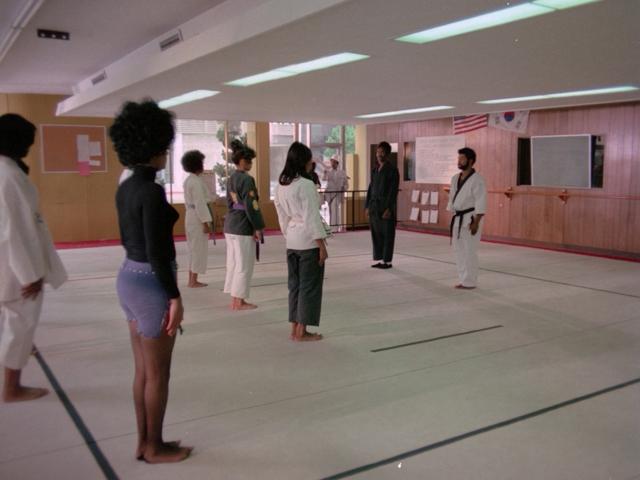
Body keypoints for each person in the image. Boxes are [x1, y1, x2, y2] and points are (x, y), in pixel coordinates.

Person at [110, 100, 192, 463]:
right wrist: (174, 297)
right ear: (155, 146)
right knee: (159, 373)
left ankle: (145, 442)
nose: (167, 152)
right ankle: (154, 446)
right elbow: (158, 253)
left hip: (129, 277)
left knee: (143, 370)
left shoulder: (126, 186)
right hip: (151, 283)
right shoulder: (151, 191)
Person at [0, 113, 67, 402]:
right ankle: (11, 387)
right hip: (16, 267)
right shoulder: (9, 176)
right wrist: (29, 274)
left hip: (10, 263)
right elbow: (12, 231)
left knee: (13, 321)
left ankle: (11, 379)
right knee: (21, 323)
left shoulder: (8, 172)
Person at [274, 142, 328, 341]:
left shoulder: (281, 186)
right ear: (304, 161)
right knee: (309, 286)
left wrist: (288, 234)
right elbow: (312, 217)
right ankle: (302, 331)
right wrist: (321, 245)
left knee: (295, 286)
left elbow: (281, 216)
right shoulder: (305, 185)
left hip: (292, 240)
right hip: (308, 242)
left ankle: (294, 327)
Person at [223, 139, 265, 310]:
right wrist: (258, 226)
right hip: (242, 225)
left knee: (234, 262)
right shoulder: (247, 180)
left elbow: (228, 202)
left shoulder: (231, 178)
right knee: (244, 264)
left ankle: (234, 298)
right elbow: (251, 205)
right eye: (248, 160)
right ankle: (238, 301)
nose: (250, 163)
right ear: (240, 161)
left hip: (231, 223)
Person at [446, 147, 487, 289]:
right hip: (458, 218)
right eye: (458, 158)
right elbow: (452, 198)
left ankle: (470, 282)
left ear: (470, 161)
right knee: (459, 251)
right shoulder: (455, 178)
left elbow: (481, 201)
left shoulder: (478, 180)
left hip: (471, 219)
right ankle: (463, 279)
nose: (459, 161)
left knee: (469, 251)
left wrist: (476, 222)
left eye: (462, 159)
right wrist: (452, 211)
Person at [182, 150, 214, 288]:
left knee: (193, 249)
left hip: (190, 215)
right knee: (197, 249)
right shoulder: (195, 182)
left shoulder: (190, 180)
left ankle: (192, 279)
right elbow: (200, 203)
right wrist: (205, 223)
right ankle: (193, 280)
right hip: (196, 217)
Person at [365, 141, 399, 269]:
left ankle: (387, 261)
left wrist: (389, 208)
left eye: (382, 152)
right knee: (376, 234)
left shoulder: (392, 170)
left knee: (387, 233)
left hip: (385, 206)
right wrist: (367, 206)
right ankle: (379, 258)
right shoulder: (375, 170)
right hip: (374, 206)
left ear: (387, 154)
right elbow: (370, 189)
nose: (379, 155)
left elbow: (393, 191)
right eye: (378, 152)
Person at [324, 158, 349, 232]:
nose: (332, 164)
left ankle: (334, 228)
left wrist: (344, 188)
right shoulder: (328, 172)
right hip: (329, 194)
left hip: (337, 194)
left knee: (334, 209)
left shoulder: (342, 172)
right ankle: (332, 226)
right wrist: (325, 173)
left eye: (334, 162)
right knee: (331, 211)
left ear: (337, 163)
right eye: (331, 162)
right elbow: (324, 179)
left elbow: (346, 184)